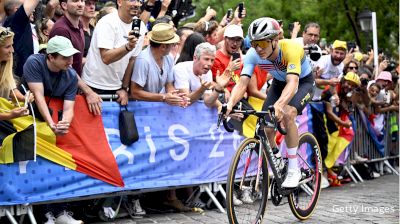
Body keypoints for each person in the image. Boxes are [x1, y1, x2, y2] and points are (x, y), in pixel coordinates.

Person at [226, 17, 315, 188]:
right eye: (254, 44)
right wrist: (229, 104)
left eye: (263, 43)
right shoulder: (253, 54)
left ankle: (294, 169)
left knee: (288, 113)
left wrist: (280, 105)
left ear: (275, 40)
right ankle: (277, 160)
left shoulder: (291, 49)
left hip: (303, 82)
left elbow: (293, 83)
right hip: (279, 83)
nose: (258, 49)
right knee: (266, 128)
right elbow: (243, 83)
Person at [82, 0, 147, 106]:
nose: (136, 4)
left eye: (139, 1)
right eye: (132, 0)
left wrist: (124, 88)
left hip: (116, 87)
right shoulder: (107, 22)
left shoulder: (139, 26)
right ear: (120, 2)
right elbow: (106, 58)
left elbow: (132, 60)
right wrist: (127, 47)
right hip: (93, 85)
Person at [130, 23, 185, 106]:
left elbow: (168, 84)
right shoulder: (143, 60)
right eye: (172, 44)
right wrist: (164, 97)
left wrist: (175, 97)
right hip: (140, 108)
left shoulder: (169, 58)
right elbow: (135, 92)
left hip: (156, 107)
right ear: (163, 47)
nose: (173, 46)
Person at [174, 42, 230, 107]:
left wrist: (218, 88)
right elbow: (186, 101)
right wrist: (201, 89)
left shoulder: (208, 72)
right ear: (195, 58)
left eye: (212, 60)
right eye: (206, 59)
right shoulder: (181, 69)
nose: (210, 64)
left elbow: (208, 102)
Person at [3, 0, 40, 77]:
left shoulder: (24, 24)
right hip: (20, 76)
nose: (33, 10)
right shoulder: (15, 21)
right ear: (17, 10)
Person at [0, 27, 30, 120]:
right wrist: (10, 115)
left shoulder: (4, 66)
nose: (12, 50)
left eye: (12, 45)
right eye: (7, 47)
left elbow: (10, 89)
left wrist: (25, 98)